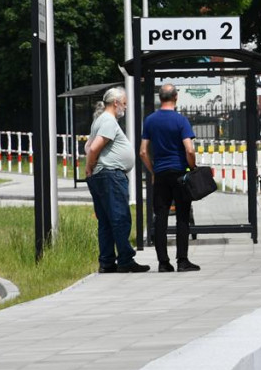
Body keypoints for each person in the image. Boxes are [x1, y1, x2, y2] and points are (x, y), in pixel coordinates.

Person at [85, 87, 149, 274]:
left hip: (103, 174)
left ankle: (106, 262)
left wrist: (91, 169)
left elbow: (88, 145)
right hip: (110, 175)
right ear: (116, 103)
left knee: (105, 220)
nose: (126, 107)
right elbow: (94, 148)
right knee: (120, 217)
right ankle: (125, 260)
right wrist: (89, 167)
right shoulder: (108, 121)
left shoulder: (99, 121)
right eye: (125, 104)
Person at [140, 83, 200, 273]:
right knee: (182, 215)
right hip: (179, 173)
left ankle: (163, 263)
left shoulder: (150, 120)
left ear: (160, 98)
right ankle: (182, 261)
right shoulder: (181, 121)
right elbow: (189, 149)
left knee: (161, 217)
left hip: (161, 174)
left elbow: (143, 152)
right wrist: (192, 167)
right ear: (175, 97)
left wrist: (153, 172)